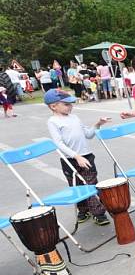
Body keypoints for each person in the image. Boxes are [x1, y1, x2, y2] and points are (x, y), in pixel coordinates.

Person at [44, 88, 111, 226]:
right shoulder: (53, 121)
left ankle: (98, 213)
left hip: (86, 156)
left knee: (90, 184)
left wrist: (98, 124)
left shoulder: (75, 117)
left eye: (71, 104)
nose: (70, 106)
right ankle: (83, 210)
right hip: (70, 160)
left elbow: (88, 134)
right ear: (53, 106)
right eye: (66, 104)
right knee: (76, 186)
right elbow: (58, 143)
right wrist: (76, 156)